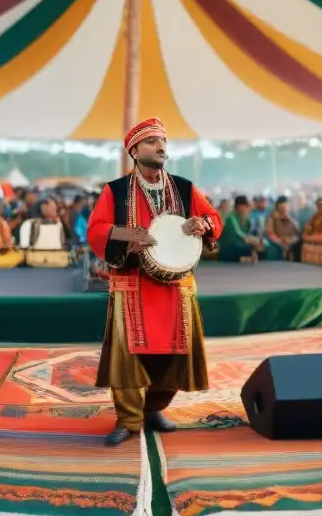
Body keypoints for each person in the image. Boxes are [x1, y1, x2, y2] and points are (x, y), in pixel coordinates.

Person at [87, 118, 221, 445]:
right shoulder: (115, 190)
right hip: (132, 283)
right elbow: (95, 230)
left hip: (176, 287)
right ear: (134, 150)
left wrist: (202, 224)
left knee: (175, 354)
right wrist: (128, 235)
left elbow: (214, 219)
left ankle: (153, 408)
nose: (161, 147)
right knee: (129, 356)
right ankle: (129, 419)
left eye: (163, 141)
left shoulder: (185, 187)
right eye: (151, 142)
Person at [218, 195, 266, 262]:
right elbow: (241, 236)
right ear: (239, 207)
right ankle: (244, 258)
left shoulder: (248, 221)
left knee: (261, 247)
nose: (250, 209)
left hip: (240, 244)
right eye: (247, 206)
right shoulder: (231, 218)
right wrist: (254, 241)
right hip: (229, 246)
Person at [265, 196, 301, 261]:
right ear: (278, 207)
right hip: (278, 242)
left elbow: (298, 231)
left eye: (286, 206)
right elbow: (270, 233)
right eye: (282, 207)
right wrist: (281, 242)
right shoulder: (272, 218)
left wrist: (289, 219)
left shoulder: (291, 218)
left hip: (290, 241)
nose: (285, 209)